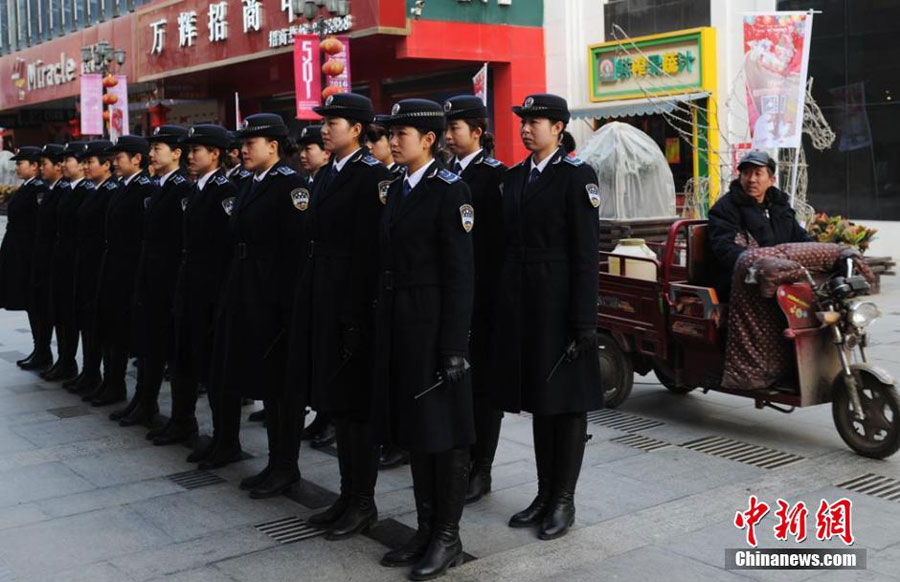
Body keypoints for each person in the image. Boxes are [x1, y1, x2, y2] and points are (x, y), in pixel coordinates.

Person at [492, 94, 602, 541]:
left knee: (568, 404)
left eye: (535, 121)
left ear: (558, 128)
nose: (526, 128)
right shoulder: (515, 176)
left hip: (561, 305)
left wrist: (584, 321)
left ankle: (563, 500)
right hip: (524, 305)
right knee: (541, 401)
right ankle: (543, 494)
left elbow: (586, 253)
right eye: (523, 121)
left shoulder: (576, 176)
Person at [374, 98, 475, 580]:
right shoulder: (397, 187)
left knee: (444, 431)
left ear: (429, 140)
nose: (393, 141)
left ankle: (448, 536)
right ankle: (426, 528)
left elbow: (461, 274)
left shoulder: (450, 191)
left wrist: (454, 346)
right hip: (402, 323)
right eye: (391, 133)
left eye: (401, 134)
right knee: (416, 429)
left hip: (434, 326)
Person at [285, 93, 392, 536]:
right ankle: (347, 495)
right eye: (324, 122)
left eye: (334, 122)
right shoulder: (328, 172)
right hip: (323, 298)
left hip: (352, 304)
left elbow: (371, 253)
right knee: (338, 405)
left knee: (356, 408)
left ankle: (363, 501)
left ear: (358, 129)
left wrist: (356, 316)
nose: (325, 129)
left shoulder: (373, 176)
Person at [202, 114, 306, 483]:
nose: (242, 150)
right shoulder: (247, 183)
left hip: (272, 295)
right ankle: (251, 452)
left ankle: (285, 465)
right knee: (247, 373)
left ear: (273, 146)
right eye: (242, 143)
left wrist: (287, 309)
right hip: (243, 287)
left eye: (250, 143)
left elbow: (296, 253)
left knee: (280, 386)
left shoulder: (290, 185)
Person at [154, 124, 237, 447]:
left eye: (196, 150)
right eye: (188, 151)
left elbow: (226, 248)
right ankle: (182, 421)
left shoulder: (224, 191)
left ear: (214, 154)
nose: (190, 157)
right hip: (188, 287)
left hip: (211, 292)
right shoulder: (195, 189)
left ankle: (225, 439)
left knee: (214, 368)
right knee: (182, 358)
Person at [443, 95, 507, 504]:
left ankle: (482, 467)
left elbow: (498, 244)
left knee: (483, 388)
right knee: (457, 386)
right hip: (454, 297)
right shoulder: (446, 173)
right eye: (447, 129)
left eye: (455, 128)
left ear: (477, 132)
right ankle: (459, 462)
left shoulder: (494, 176)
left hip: (484, 299)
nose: (448, 136)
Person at [121, 126, 191, 429]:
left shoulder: (181, 188)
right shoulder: (160, 185)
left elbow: (179, 240)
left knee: (168, 349)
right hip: (151, 277)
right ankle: (144, 401)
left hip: (168, 281)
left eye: (157, 148)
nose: (151, 154)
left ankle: (178, 416)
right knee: (148, 343)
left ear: (176, 153)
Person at [93, 136, 155, 408]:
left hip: (130, 271)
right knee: (110, 327)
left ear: (137, 159)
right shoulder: (123, 186)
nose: (114, 162)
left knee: (126, 332)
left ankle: (128, 391)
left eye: (119, 158)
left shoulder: (145, 189)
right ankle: (111, 381)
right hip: (113, 268)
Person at [707, 150, 811, 300]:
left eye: (758, 174)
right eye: (746, 173)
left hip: (783, 277)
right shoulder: (725, 208)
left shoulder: (780, 206)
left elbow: (800, 238)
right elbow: (725, 250)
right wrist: (761, 264)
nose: (751, 180)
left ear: (771, 180)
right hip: (743, 281)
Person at [293, 122, 337, 448]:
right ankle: (322, 414)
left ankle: (331, 419)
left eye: (309, 149)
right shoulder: (316, 181)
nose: (303, 155)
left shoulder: (333, 179)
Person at [74, 141, 116, 401]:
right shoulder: (95, 190)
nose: (86, 167)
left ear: (106, 164)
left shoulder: (111, 191)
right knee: (89, 321)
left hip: (102, 264)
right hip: (89, 264)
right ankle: (90, 372)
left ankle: (109, 380)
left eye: (90, 162)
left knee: (105, 326)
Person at [0, 147, 43, 368]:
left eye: (21, 163)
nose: (17, 167)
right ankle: (39, 349)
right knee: (28, 304)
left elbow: (37, 227)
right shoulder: (27, 186)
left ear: (35, 166)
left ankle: (42, 350)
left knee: (34, 304)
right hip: (18, 253)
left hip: (27, 255)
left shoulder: (38, 189)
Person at [28, 144, 67, 376]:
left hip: (59, 259)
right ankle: (53, 356)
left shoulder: (63, 190)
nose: (41, 168)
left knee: (61, 314)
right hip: (47, 259)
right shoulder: (53, 190)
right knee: (49, 309)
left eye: (45, 164)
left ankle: (66, 361)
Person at [56, 142, 91, 390]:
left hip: (83, 260)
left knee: (87, 320)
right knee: (65, 314)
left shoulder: (87, 190)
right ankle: (66, 361)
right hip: (68, 260)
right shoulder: (69, 189)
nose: (63, 164)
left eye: (68, 160)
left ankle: (92, 372)